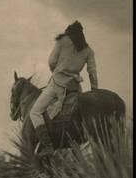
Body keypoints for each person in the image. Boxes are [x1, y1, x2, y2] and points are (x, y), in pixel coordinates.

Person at [30, 20, 98, 156]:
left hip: (57, 84)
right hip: (75, 86)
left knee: (35, 112)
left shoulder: (62, 41)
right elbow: (92, 72)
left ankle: (47, 145)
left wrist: (57, 71)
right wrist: (94, 90)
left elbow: (51, 61)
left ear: (69, 32)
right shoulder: (88, 50)